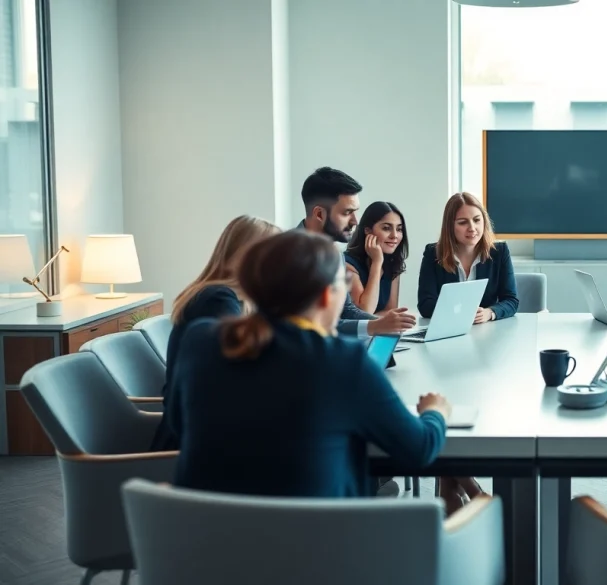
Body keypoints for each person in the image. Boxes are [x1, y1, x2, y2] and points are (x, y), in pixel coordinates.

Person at [169, 230, 452, 499]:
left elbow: (178, 425)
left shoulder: (199, 340)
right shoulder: (345, 361)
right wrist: (434, 412)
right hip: (315, 545)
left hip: (202, 540)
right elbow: (419, 449)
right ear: (328, 295)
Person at [150, 215, 280, 452]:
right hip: (193, 442)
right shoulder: (217, 298)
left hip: (198, 427)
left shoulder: (229, 297)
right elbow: (240, 360)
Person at [298, 167, 416, 337]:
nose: (355, 221)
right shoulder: (290, 255)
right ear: (319, 214)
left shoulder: (334, 252)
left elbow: (347, 310)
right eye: (347, 212)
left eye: (355, 212)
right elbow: (314, 324)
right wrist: (374, 326)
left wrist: (382, 324)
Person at [417, 192, 519, 323]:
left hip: (487, 331)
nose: (472, 228)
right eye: (463, 222)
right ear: (450, 227)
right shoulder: (433, 253)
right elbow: (425, 305)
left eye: (477, 220)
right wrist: (461, 312)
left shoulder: (499, 252)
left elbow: (511, 301)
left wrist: (490, 312)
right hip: (448, 329)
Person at [345, 201, 407, 314]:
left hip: (380, 331)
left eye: (399, 229)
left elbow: (390, 312)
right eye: (387, 228)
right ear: (368, 231)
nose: (394, 236)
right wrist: (377, 262)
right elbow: (364, 313)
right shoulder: (348, 265)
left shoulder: (392, 262)